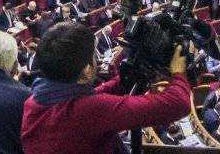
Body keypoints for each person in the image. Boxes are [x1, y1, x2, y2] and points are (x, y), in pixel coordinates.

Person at [21, 21, 191, 154]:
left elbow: (87, 97)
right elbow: (178, 103)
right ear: (86, 70)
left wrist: (123, 81)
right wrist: (178, 72)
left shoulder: (35, 100)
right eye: (93, 56)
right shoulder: (88, 111)